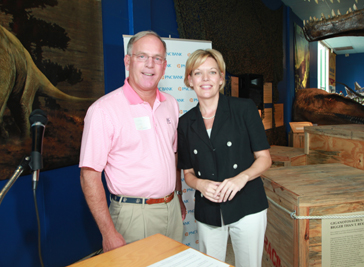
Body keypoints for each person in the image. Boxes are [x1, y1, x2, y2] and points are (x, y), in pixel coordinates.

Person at [79, 31, 185, 252]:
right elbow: (89, 175)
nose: (150, 64)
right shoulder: (103, 110)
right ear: (128, 61)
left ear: (164, 66)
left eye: (157, 58)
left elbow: (172, 155)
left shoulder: (172, 105)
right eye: (142, 56)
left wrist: (178, 196)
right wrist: (108, 232)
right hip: (134, 215)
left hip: (172, 210)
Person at [177, 49, 272, 267]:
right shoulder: (185, 123)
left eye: (212, 72)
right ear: (189, 80)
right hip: (208, 208)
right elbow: (188, 173)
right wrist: (200, 184)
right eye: (198, 73)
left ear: (221, 78)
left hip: (248, 204)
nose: (205, 79)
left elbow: (265, 158)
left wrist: (242, 177)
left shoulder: (244, 109)